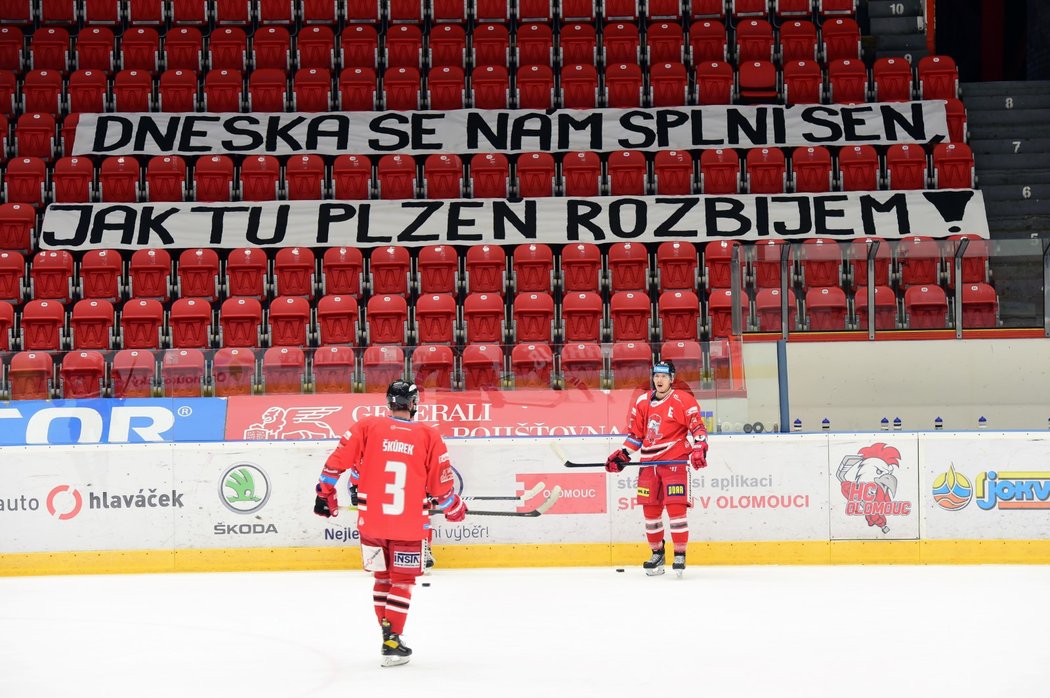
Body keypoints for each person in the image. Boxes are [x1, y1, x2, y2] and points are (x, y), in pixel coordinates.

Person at [313, 380, 467, 667]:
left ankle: (389, 636)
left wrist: (324, 493)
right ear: (413, 404)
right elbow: (441, 490)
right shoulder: (429, 436)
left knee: (382, 579)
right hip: (408, 526)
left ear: (388, 402)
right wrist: (455, 508)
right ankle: (392, 641)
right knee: (403, 581)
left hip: (370, 523)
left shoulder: (366, 426)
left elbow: (336, 463)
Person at [605, 361, 709, 576]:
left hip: (675, 462)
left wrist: (700, 446)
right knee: (650, 513)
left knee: (676, 510)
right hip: (648, 465)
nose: (659, 380)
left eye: (664, 376)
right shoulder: (642, 402)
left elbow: (697, 427)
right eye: (656, 376)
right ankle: (657, 553)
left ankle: (680, 554)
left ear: (672, 378)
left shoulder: (683, 400)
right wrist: (623, 454)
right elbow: (636, 436)